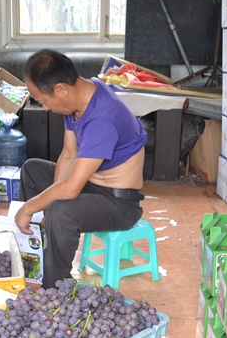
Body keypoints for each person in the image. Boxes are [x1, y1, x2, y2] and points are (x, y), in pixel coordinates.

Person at [15, 49, 147, 288]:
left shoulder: (101, 120)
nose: (44, 108)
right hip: (92, 183)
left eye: (44, 101)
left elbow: (69, 190)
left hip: (119, 203)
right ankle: (36, 248)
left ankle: (55, 287)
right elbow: (68, 154)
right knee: (32, 170)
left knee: (60, 211)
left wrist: (30, 207)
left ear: (61, 90)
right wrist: (42, 207)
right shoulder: (79, 100)